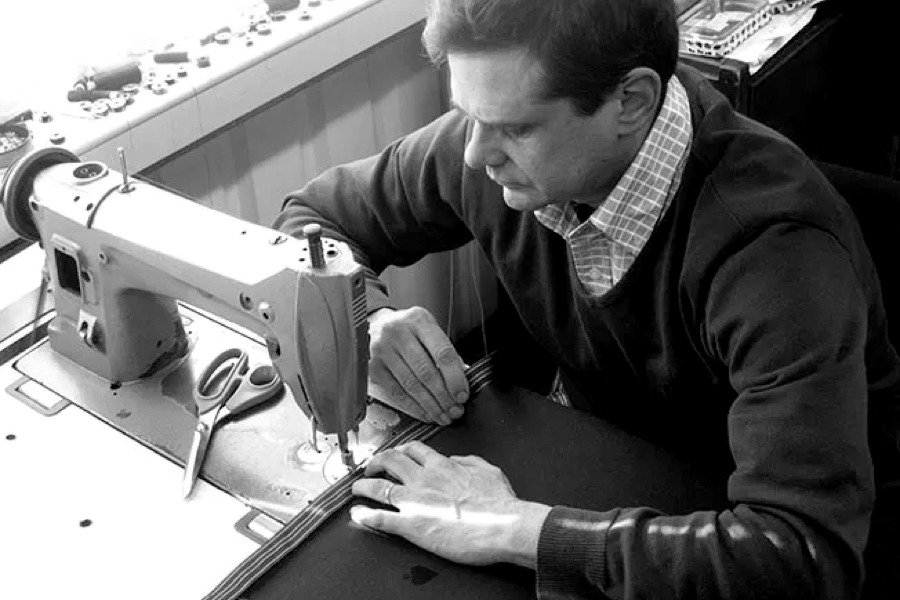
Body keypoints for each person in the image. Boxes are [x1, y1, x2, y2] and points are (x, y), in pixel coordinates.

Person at [272, 0, 900, 597]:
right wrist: (366, 315)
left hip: (730, 528)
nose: (474, 154)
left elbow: (799, 558)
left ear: (631, 101)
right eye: (468, 115)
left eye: (515, 127)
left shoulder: (776, 255)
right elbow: (310, 219)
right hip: (600, 461)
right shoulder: (491, 151)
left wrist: (520, 530)